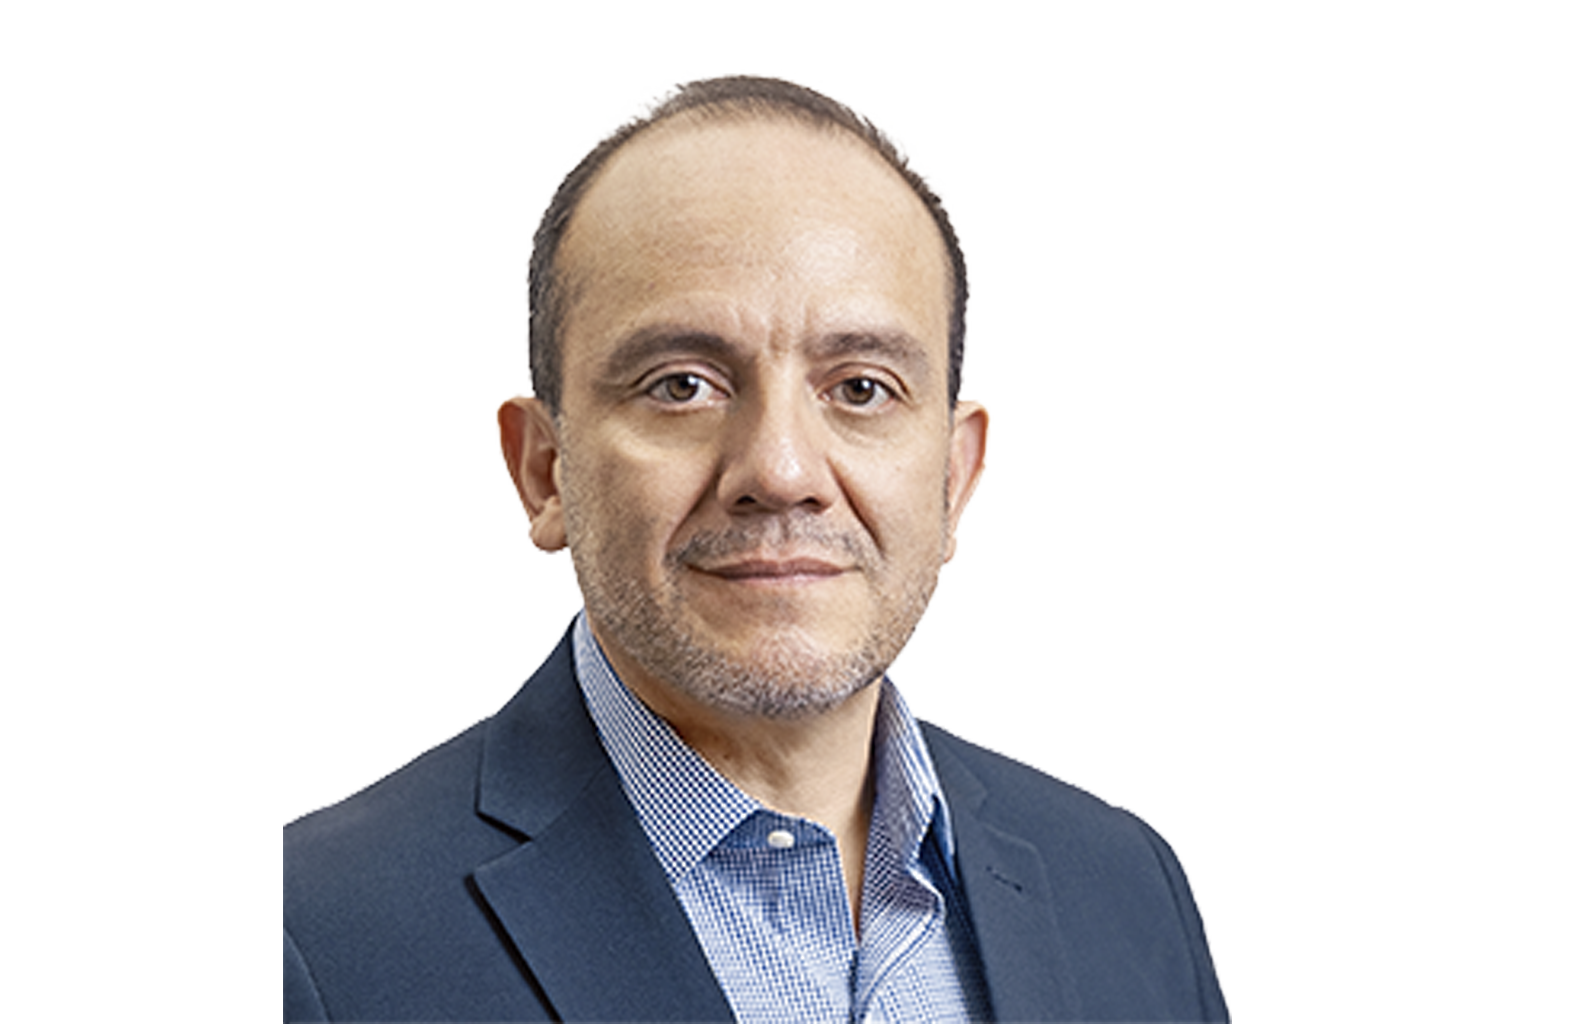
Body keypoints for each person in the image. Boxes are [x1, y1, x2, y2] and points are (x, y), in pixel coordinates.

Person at [284, 73, 1229, 1023]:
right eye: (681, 385)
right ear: (545, 471)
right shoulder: (305, 940)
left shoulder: (1126, 888)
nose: (780, 471)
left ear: (953, 477)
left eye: (860, 389)